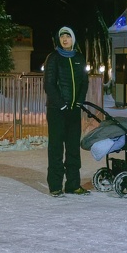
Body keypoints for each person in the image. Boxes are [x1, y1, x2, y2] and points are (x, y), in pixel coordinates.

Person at [43, 26, 89, 196]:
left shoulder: (79, 58)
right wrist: (61, 105)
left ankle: (73, 184)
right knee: (56, 149)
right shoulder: (53, 58)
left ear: (73, 39)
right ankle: (55, 186)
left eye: (67, 36)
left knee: (73, 149)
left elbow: (84, 82)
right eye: (61, 36)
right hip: (57, 111)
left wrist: (78, 104)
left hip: (74, 111)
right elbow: (49, 84)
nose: (64, 39)